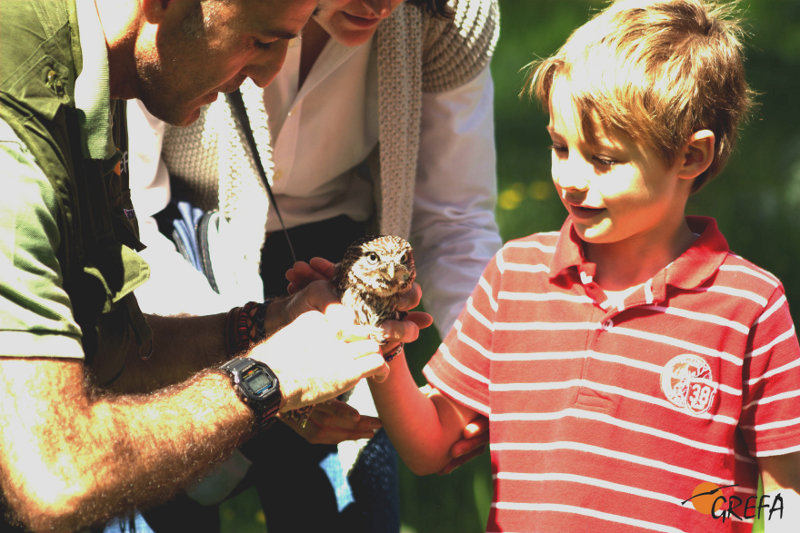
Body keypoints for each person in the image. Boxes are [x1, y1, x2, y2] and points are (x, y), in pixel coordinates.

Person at [298, 0, 800, 531]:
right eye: (560, 147)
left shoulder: (749, 306)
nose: (572, 179)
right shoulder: (515, 277)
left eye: (604, 159)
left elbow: (784, 496)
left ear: (690, 157)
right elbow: (430, 445)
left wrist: (702, 508)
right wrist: (380, 341)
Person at [0, 1, 426, 531]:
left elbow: (107, 355)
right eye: (263, 42)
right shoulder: (16, 144)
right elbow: (57, 478)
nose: (268, 75)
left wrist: (268, 324)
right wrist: (268, 378)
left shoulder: (92, 74)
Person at [126, 0, 501, 530]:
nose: (380, 5)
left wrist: (490, 371)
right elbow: (125, 217)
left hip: (345, 273)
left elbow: (454, 216)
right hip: (181, 264)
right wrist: (260, 364)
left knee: (354, 508)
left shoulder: (450, 14)